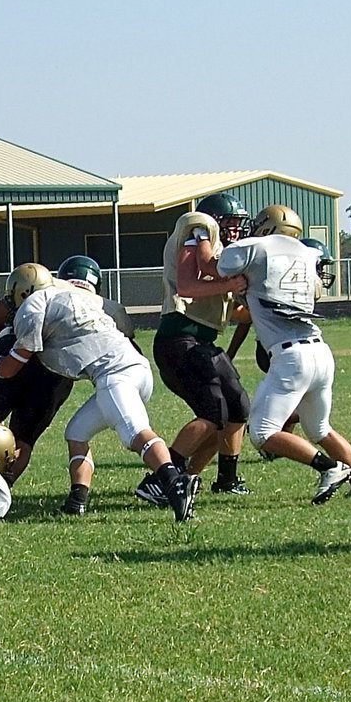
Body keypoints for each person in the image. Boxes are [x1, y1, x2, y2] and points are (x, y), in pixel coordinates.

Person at [0, 263, 199, 522]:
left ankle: (174, 481)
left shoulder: (33, 306)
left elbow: (7, 369)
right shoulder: (89, 300)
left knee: (134, 433)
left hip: (113, 374)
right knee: (76, 432)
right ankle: (77, 501)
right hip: (136, 368)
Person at [217, 205, 351, 503]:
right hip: (321, 352)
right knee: (320, 428)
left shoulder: (257, 247)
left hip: (291, 357)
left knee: (262, 433)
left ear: (266, 226)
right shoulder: (306, 254)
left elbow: (224, 265)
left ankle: (329, 468)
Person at [135, 193, 252, 508]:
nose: (235, 230)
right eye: (229, 223)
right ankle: (162, 481)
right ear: (213, 220)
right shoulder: (198, 227)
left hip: (203, 342)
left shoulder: (220, 252)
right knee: (212, 414)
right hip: (179, 339)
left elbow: (235, 311)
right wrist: (230, 284)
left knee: (238, 407)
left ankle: (220, 478)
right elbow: (188, 286)